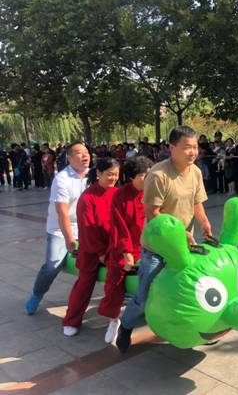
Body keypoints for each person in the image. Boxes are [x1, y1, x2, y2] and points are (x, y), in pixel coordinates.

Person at [116, 126, 213, 353]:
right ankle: (126, 326)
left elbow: (197, 202)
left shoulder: (195, 172)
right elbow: (153, 213)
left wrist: (204, 223)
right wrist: (179, 232)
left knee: (188, 289)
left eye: (195, 147)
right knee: (145, 294)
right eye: (187, 147)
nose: (193, 152)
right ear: (172, 148)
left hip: (185, 245)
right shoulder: (158, 175)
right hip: (157, 247)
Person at [25, 142, 90, 315]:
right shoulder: (62, 179)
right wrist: (69, 239)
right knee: (52, 265)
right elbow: (62, 213)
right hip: (60, 228)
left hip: (86, 226)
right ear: (69, 158)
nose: (85, 155)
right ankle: (37, 294)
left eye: (86, 152)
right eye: (79, 152)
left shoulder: (93, 175)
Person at [62, 158, 120, 336]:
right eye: (109, 174)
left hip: (114, 246)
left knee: (118, 280)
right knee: (84, 284)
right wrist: (101, 252)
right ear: (99, 173)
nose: (113, 178)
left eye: (116, 174)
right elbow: (88, 228)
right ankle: (71, 320)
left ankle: (114, 318)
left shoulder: (118, 193)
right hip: (91, 249)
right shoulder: (87, 198)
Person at [97, 156, 152, 343]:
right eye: (144, 175)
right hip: (126, 246)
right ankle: (113, 318)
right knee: (116, 277)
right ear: (132, 177)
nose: (149, 178)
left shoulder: (154, 192)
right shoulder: (120, 196)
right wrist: (126, 252)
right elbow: (119, 227)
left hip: (150, 244)